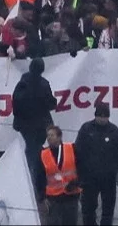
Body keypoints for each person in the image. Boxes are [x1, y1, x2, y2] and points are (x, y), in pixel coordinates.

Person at [72, 100, 118, 226]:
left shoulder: (114, 131)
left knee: (108, 208)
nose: (102, 119)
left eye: (105, 116)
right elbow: (78, 152)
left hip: (109, 177)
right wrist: (78, 174)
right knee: (88, 208)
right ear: (95, 115)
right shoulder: (86, 129)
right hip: (89, 177)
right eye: (100, 116)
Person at [12, 55, 57, 198]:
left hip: (25, 124)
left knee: (31, 151)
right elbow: (51, 103)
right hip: (39, 124)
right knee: (36, 153)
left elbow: (16, 102)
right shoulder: (43, 84)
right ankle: (36, 183)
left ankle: (31, 180)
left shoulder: (23, 80)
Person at [39, 122, 81, 226]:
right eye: (48, 136)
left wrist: (77, 182)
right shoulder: (43, 154)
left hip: (71, 193)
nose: (49, 138)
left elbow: (81, 167)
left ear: (59, 137)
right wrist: (42, 197)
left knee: (70, 222)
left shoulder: (72, 148)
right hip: (53, 197)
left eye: (52, 135)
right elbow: (40, 177)